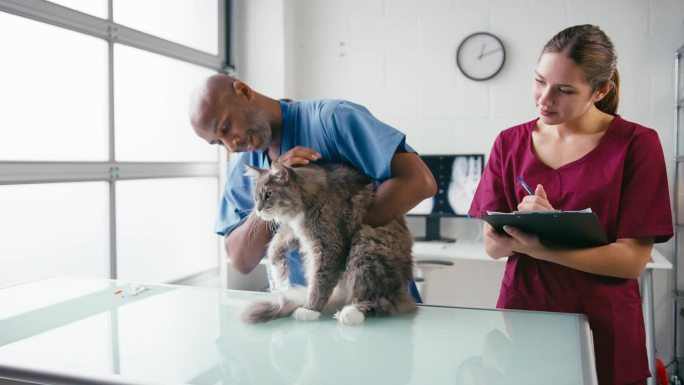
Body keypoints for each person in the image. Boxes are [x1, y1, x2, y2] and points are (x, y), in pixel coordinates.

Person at [468, 25, 673, 385]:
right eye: (539, 81)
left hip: (604, 323)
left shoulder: (637, 144)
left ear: (601, 90)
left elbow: (630, 261)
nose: (544, 99)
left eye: (564, 90)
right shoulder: (509, 142)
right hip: (528, 316)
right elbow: (492, 245)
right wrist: (528, 225)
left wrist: (542, 246)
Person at [189, 74, 436, 301]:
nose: (231, 145)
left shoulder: (331, 120)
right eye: (218, 143)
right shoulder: (243, 170)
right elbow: (241, 261)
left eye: (226, 128)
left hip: (377, 299)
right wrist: (268, 200)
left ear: (243, 91)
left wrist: (331, 233)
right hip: (310, 311)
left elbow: (419, 182)